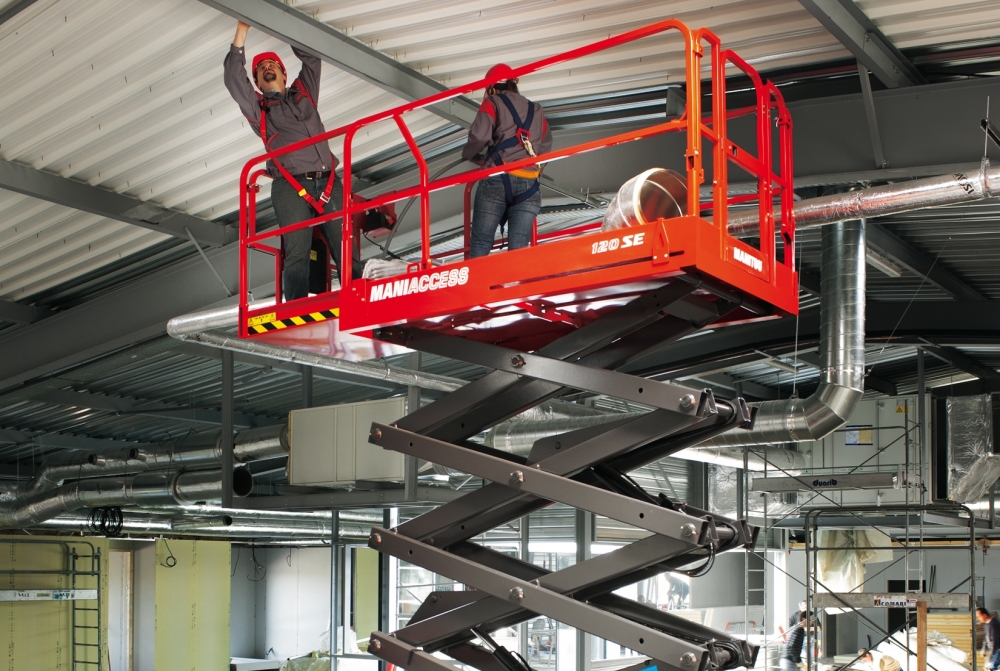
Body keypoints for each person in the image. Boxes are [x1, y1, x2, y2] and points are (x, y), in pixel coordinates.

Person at [224, 21, 358, 301]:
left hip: (329, 182)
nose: (266, 67)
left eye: (272, 64)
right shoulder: (260, 110)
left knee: (346, 249)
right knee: (297, 254)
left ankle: (360, 300)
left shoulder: (305, 93)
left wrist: (282, 24)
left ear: (284, 75)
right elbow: (235, 80)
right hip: (290, 187)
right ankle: (296, 309)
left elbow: (312, 60)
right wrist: (243, 29)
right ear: (258, 83)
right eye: (260, 69)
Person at [462, 64, 553, 258]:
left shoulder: (492, 102)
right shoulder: (536, 110)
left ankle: (477, 287)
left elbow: (478, 137)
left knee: (480, 243)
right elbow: (545, 146)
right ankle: (517, 287)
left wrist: (470, 154)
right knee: (518, 253)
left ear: (492, 88)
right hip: (529, 185)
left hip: (497, 179)